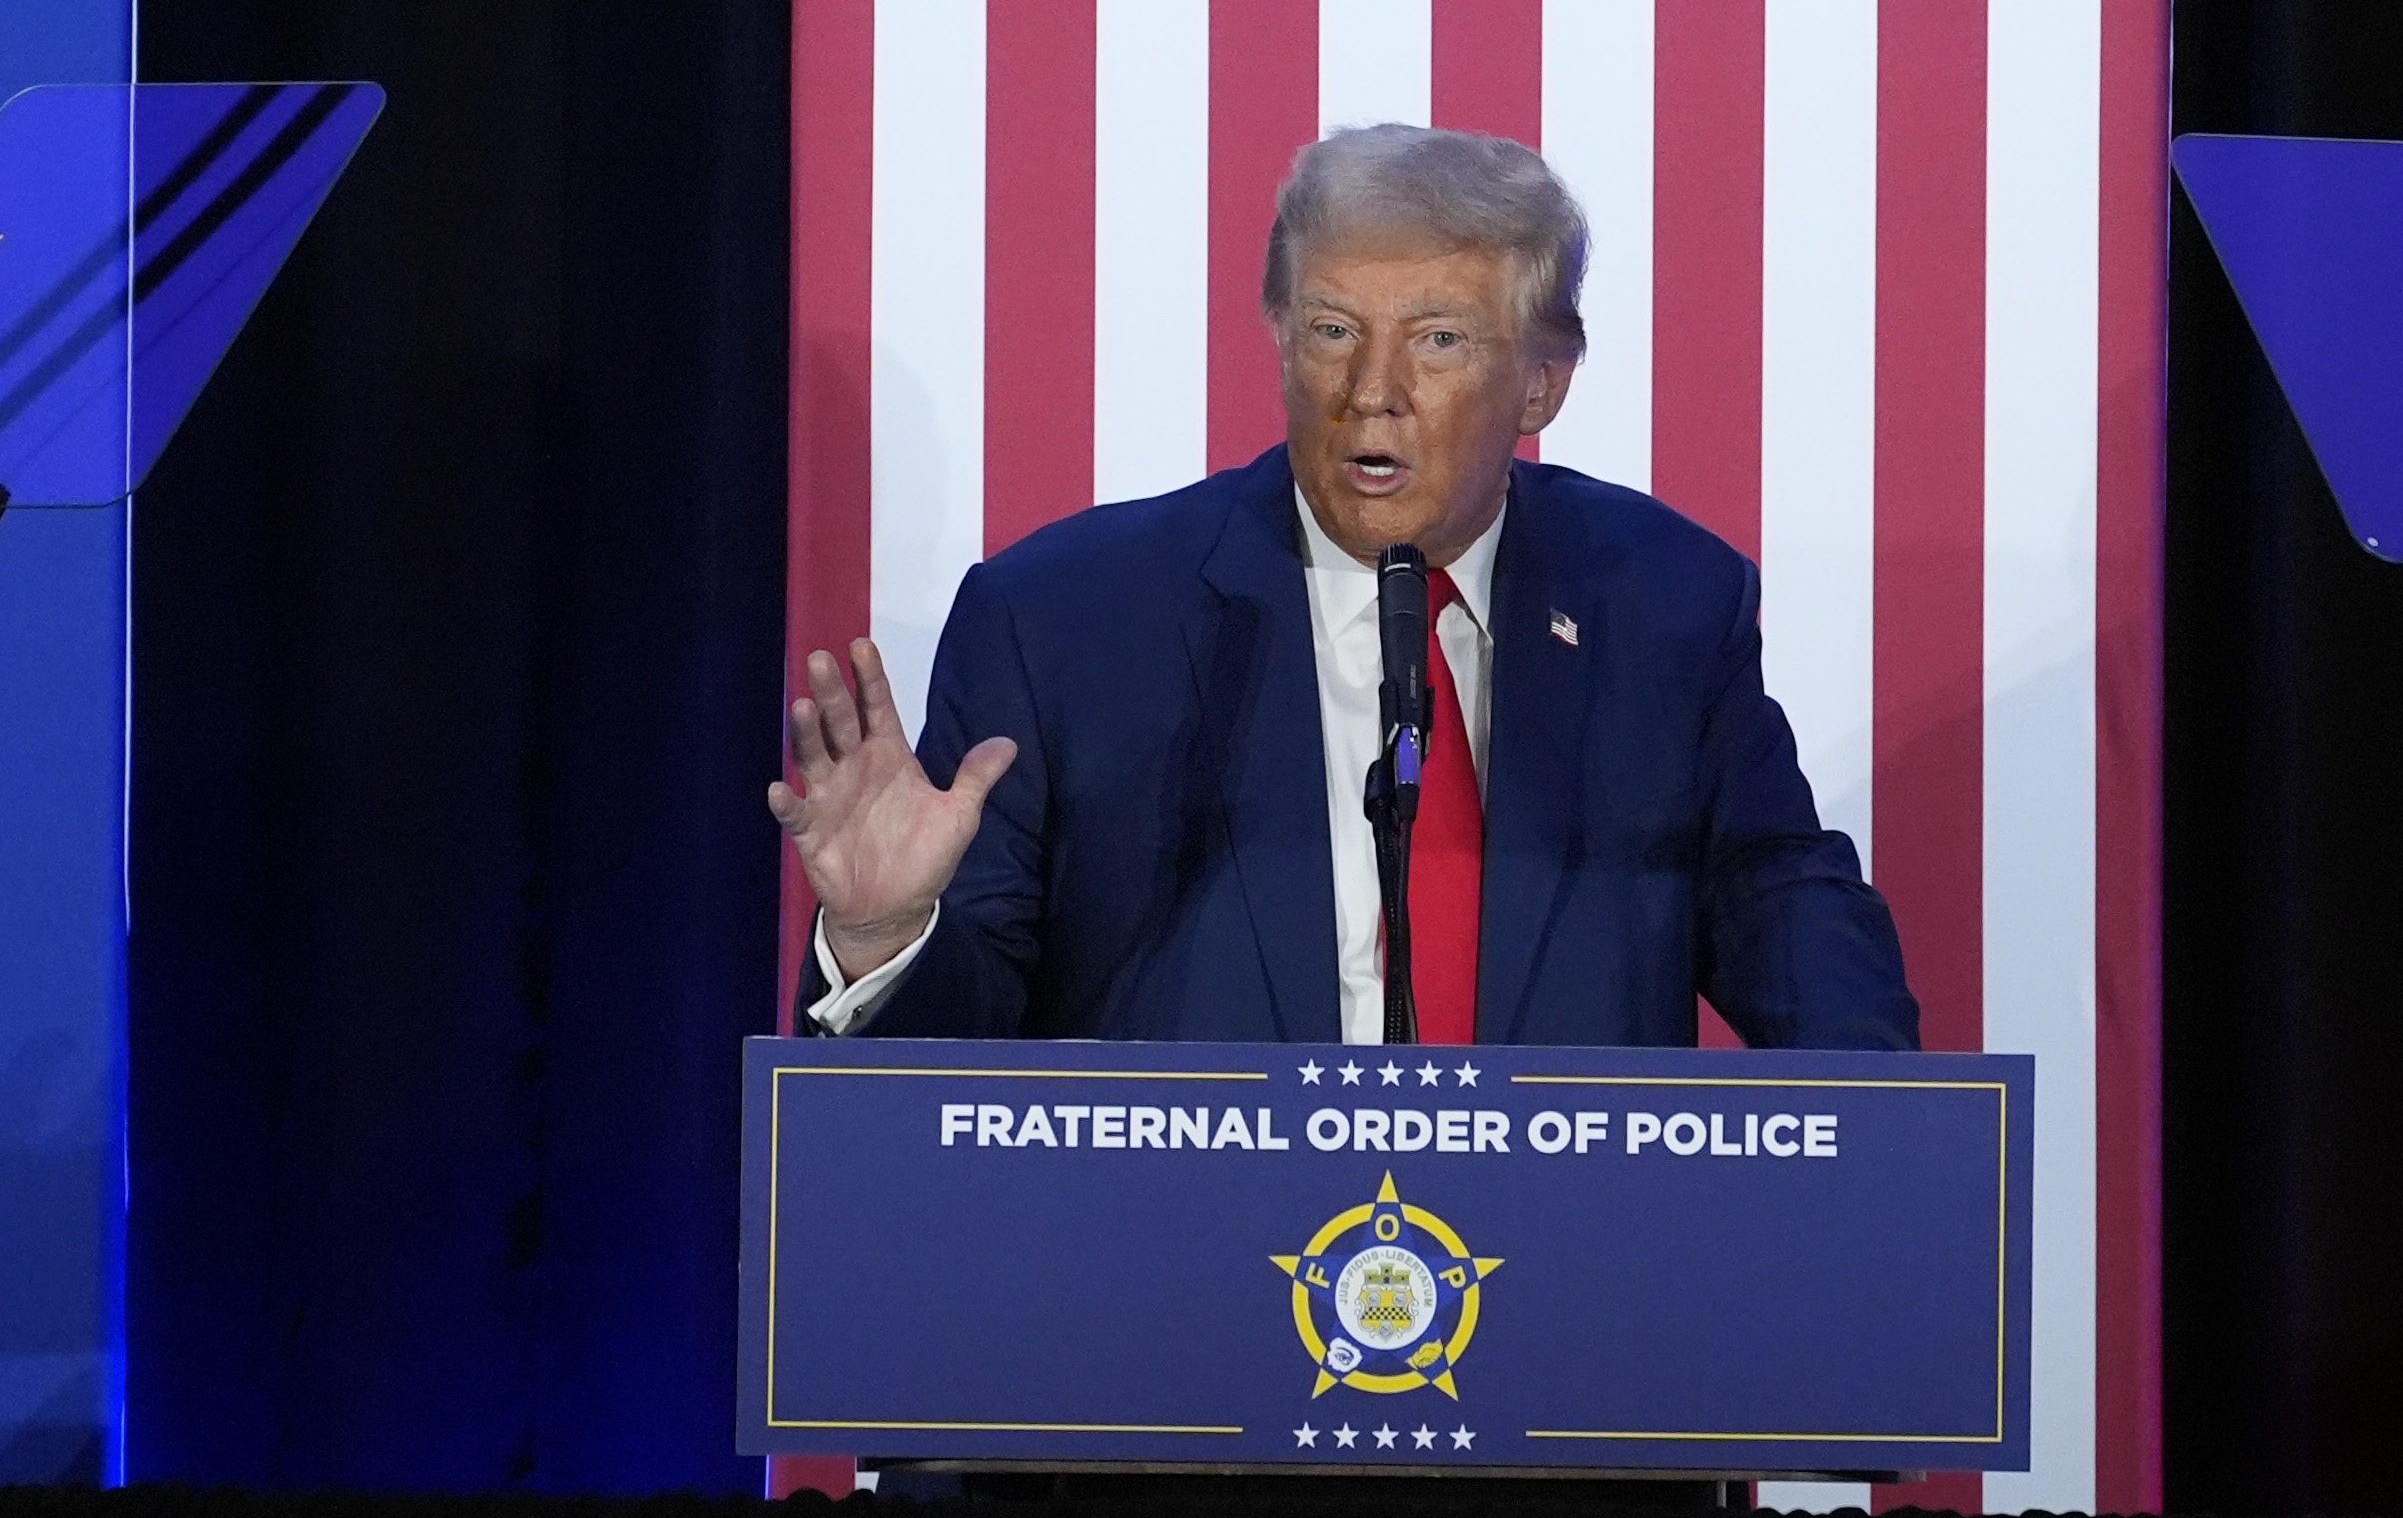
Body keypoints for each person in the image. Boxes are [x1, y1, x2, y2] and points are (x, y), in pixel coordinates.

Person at [773, 124, 1916, 1048]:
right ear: (1277, 338)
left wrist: (1900, 1142)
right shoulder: (1064, 621)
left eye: (1436, 340)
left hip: (1570, 1274)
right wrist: (883, 934)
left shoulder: (1661, 605)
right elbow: (935, 1083)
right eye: (1330, 329)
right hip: (1177, 1281)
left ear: (1542, 381)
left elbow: (1778, 905)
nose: (1371, 390)